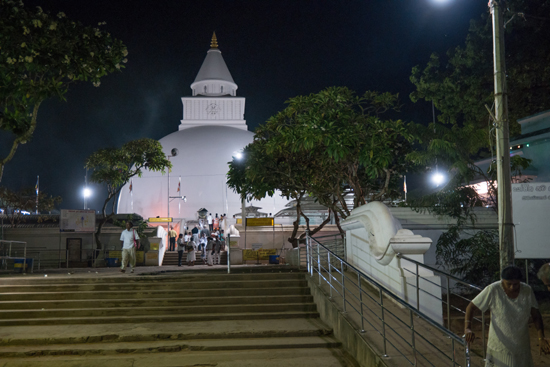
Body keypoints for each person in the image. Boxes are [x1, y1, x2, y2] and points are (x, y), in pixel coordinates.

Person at [464, 265, 550, 366]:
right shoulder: (493, 289)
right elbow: (471, 307)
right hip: (500, 347)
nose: (512, 287)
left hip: (521, 346)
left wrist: (541, 338)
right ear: (502, 281)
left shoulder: (527, 290)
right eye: (508, 284)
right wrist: (467, 328)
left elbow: (536, 315)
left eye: (516, 284)